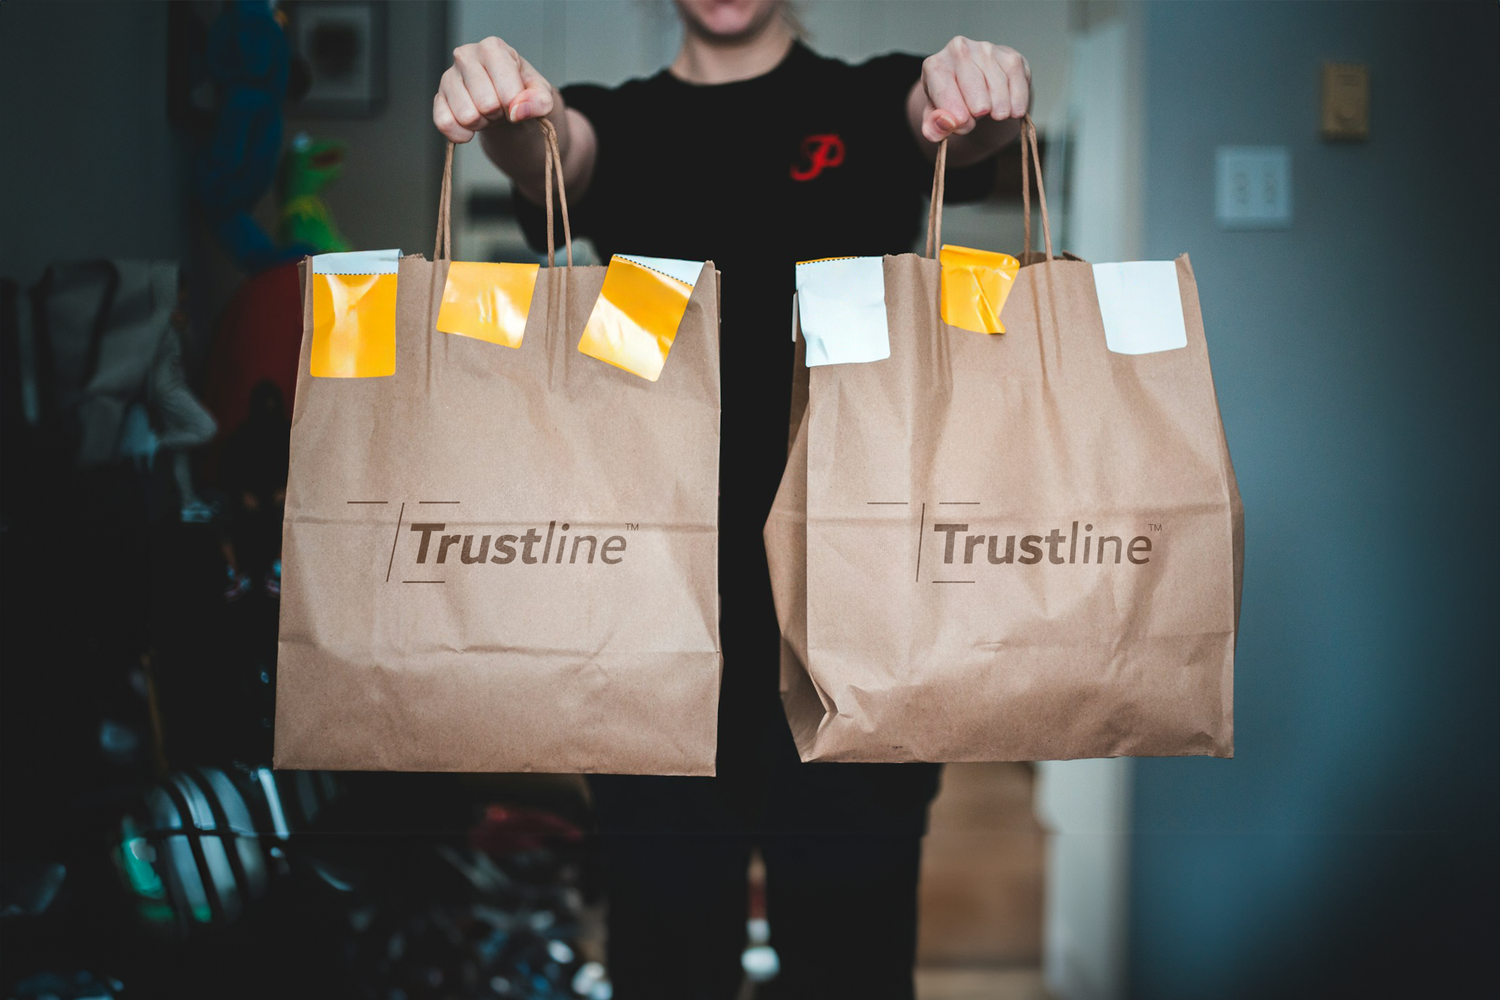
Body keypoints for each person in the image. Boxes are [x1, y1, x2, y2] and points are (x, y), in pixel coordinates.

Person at [433, 2, 1031, 997]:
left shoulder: (866, 95)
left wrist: (981, 85)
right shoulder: (615, 120)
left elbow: (952, 119)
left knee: (852, 954)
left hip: (855, 607)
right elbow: (557, 153)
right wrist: (510, 115)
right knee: (667, 953)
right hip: (658, 605)